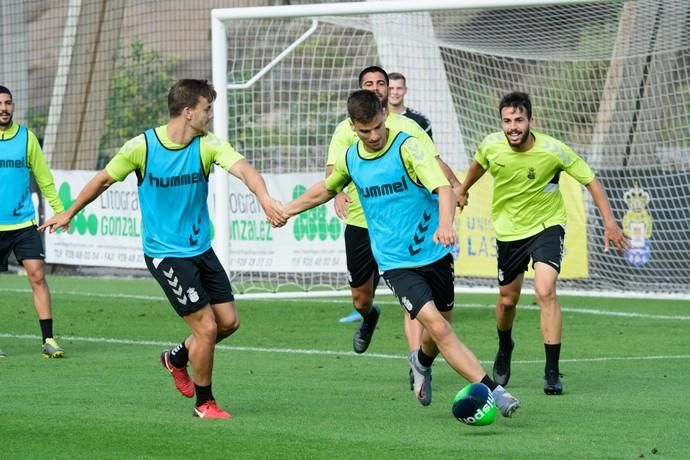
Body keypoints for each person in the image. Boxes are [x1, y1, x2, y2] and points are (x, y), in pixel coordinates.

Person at [39, 79, 285, 418]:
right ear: (187, 112)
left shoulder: (207, 145)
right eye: (206, 109)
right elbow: (103, 180)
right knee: (207, 328)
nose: (210, 116)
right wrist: (69, 211)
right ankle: (205, 403)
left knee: (228, 323)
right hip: (165, 253)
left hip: (200, 248)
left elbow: (243, 169)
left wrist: (263, 197)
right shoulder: (142, 147)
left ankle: (176, 359)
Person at [279, 90, 519, 416]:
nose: (374, 136)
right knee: (439, 326)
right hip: (395, 263)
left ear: (384, 116)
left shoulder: (407, 148)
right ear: (353, 127)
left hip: (435, 253)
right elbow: (327, 188)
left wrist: (446, 223)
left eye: (378, 126)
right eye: (365, 131)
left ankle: (420, 363)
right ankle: (495, 392)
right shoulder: (352, 158)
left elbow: (443, 188)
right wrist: (287, 210)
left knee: (438, 330)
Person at [457, 91, 629, 395]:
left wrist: (610, 222)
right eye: (507, 121)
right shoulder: (491, 145)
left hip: (547, 226)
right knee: (507, 300)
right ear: (501, 123)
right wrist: (463, 189)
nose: (513, 126)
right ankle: (504, 345)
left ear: (530, 121)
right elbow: (478, 164)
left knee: (545, 290)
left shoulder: (554, 150)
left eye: (519, 120)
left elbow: (590, 180)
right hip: (509, 232)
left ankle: (552, 371)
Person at [327, 66, 462, 387]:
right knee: (361, 299)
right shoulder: (347, 129)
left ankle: (417, 366)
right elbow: (333, 172)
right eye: (368, 84)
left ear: (387, 94)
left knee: (416, 301)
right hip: (362, 222)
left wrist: (456, 185)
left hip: (403, 231)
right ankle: (368, 316)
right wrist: (338, 193)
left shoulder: (409, 129)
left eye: (380, 83)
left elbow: (433, 161)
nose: (375, 87)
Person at [0, 85, 65, 359]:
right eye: (0, 103)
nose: (4, 108)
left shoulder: (27, 138)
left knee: (38, 275)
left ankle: (48, 339)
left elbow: (44, 178)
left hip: (23, 224)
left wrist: (60, 211)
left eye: (8, 103)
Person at [387, 72, 433, 140]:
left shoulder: (420, 120)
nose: (395, 92)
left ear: (405, 90)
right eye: (391, 88)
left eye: (399, 88)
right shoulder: (378, 118)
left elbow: (429, 148)